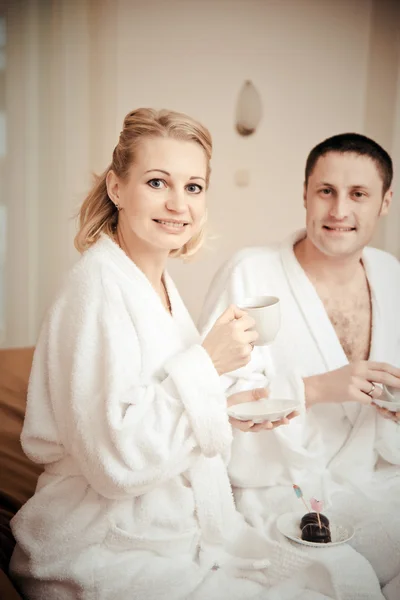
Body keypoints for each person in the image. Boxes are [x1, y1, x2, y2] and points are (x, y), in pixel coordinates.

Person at [9, 108, 330, 600]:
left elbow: (159, 398)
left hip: (169, 531)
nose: (178, 204)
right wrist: (208, 361)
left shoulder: (154, 282)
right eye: (158, 182)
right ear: (117, 188)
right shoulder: (94, 288)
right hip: (102, 546)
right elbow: (118, 460)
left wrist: (225, 409)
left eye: (194, 187)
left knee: (334, 574)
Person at [200, 133, 400, 600]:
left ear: (385, 202)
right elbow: (212, 404)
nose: (338, 211)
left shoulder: (394, 276)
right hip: (279, 488)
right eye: (326, 191)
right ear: (305, 193)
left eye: (358, 194)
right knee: (343, 583)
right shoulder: (250, 273)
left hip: (379, 483)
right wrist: (314, 389)